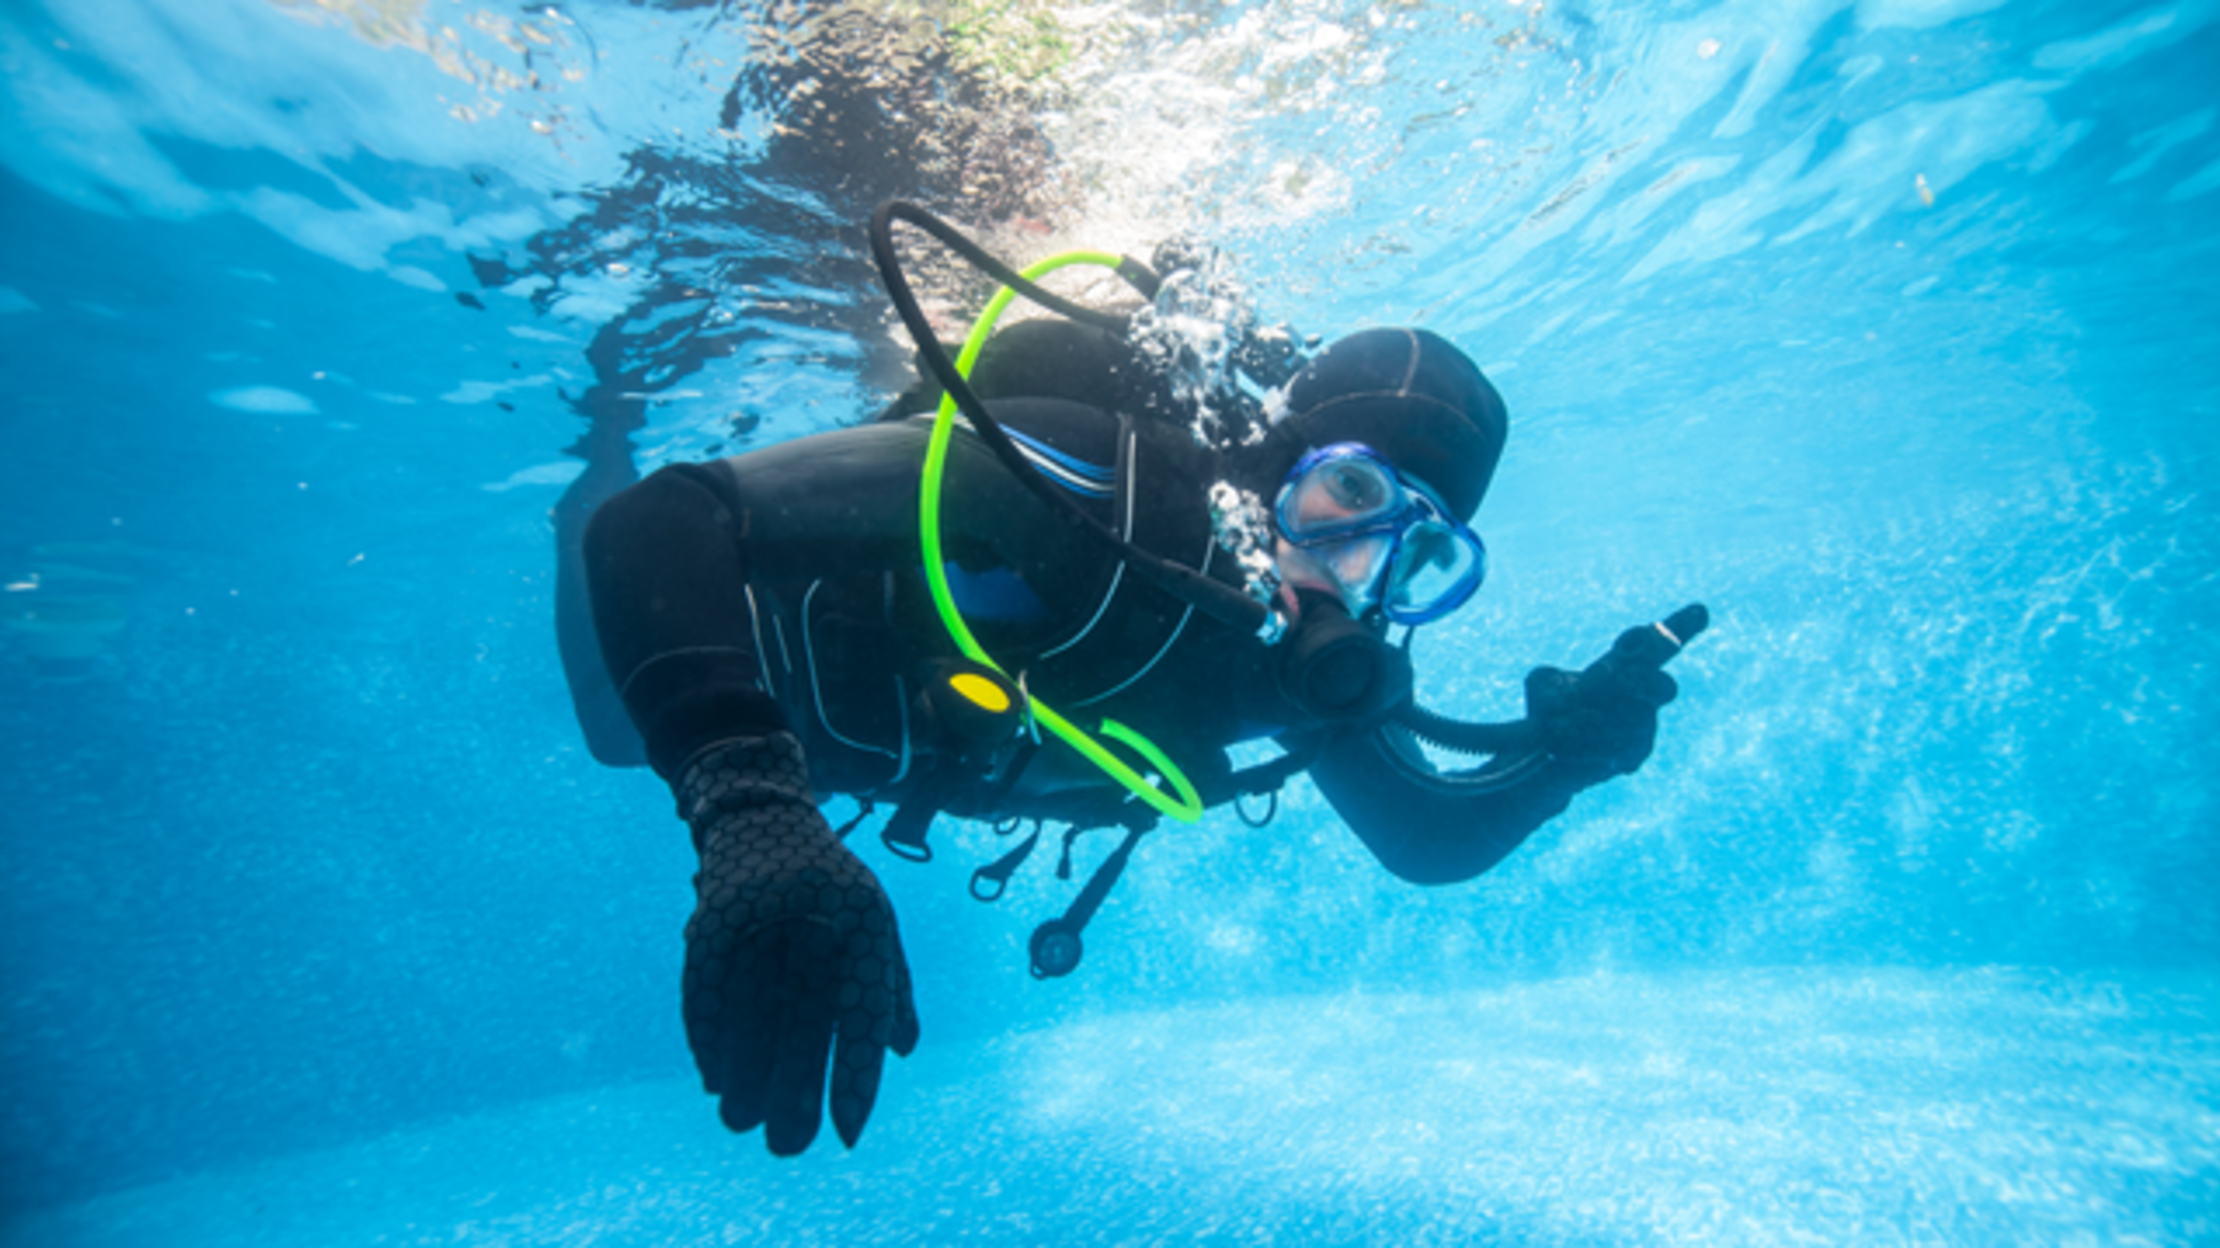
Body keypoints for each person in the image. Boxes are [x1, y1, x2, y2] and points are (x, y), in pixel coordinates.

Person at [564, 204, 1706, 1157]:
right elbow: (663, 522)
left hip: (875, 757)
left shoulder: (1308, 665)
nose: (1354, 577)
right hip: (749, 664)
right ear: (1268, 465)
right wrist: (748, 804)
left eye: (1420, 556)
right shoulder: (1076, 482)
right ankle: (593, 428)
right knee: (615, 726)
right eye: (1347, 499)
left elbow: (1427, 841)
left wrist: (1572, 761)